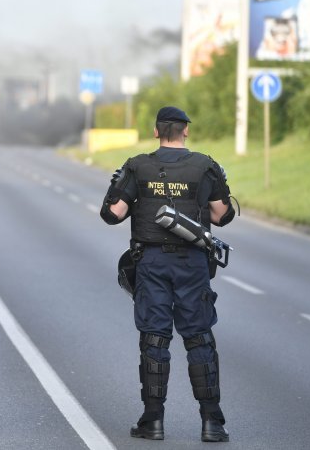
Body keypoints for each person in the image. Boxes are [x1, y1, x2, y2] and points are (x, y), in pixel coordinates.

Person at [99, 106, 235, 443]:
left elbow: (112, 215)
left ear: (157, 131)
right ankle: (211, 423)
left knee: (154, 339)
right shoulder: (206, 166)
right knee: (199, 337)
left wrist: (118, 184)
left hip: (152, 263)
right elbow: (222, 216)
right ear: (185, 131)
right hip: (192, 265)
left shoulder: (137, 165)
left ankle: (153, 421)